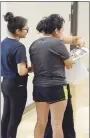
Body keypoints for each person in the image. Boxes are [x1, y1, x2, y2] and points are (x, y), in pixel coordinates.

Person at [36, 15, 85, 138]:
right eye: (62, 29)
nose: (63, 32)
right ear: (56, 30)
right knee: (58, 121)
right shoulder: (57, 43)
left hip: (40, 86)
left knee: (43, 121)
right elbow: (68, 63)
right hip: (57, 86)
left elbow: (75, 39)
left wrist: (79, 40)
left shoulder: (37, 42)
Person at [1, 12, 31, 138]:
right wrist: (35, 67)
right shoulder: (19, 47)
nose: (27, 31)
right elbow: (22, 71)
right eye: (26, 29)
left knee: (6, 116)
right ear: (18, 31)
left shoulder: (3, 42)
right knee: (15, 119)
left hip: (5, 84)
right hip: (16, 85)